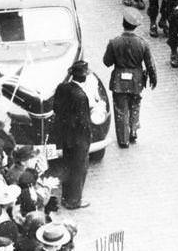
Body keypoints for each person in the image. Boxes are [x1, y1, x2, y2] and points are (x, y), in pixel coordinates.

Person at [103, 12, 157, 148]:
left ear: (123, 24)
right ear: (136, 26)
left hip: (119, 81)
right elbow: (150, 63)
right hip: (137, 80)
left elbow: (107, 62)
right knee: (135, 105)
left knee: (121, 109)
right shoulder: (142, 43)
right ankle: (133, 130)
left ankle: (123, 140)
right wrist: (153, 78)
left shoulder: (114, 42)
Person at [51, 60, 94, 208]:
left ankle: (66, 197)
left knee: (68, 166)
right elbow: (83, 122)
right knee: (79, 169)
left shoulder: (62, 88)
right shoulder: (81, 96)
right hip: (78, 138)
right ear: (84, 77)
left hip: (65, 136)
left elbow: (56, 108)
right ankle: (74, 200)